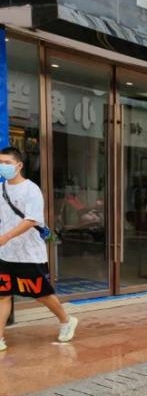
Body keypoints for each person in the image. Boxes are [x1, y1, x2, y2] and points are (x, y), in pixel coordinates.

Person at [0, 146, 78, 351]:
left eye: (7, 163)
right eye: (0, 163)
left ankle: (66, 320)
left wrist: (5, 237)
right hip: (5, 254)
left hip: (29, 254)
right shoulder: (0, 189)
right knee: (3, 294)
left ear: (19, 165)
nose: (2, 166)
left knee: (40, 293)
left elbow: (31, 220)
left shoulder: (31, 189)